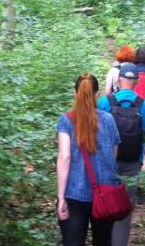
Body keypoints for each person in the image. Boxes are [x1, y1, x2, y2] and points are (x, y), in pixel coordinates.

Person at [57, 73, 121, 246]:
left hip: (74, 195)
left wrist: (61, 197)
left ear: (74, 93)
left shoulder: (66, 120)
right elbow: (114, 154)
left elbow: (64, 157)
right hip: (105, 193)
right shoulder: (108, 120)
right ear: (97, 95)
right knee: (103, 241)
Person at [97, 64, 145, 246]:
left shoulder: (105, 102)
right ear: (136, 82)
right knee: (124, 214)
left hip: (107, 165)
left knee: (104, 209)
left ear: (119, 79)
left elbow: (97, 135)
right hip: (132, 165)